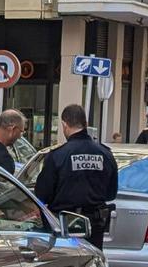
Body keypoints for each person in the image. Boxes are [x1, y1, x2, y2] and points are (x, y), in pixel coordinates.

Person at [34, 104, 118, 250]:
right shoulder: (105, 154)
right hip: (95, 225)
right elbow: (111, 193)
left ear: (64, 124)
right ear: (85, 124)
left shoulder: (57, 155)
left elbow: (42, 194)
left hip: (66, 226)